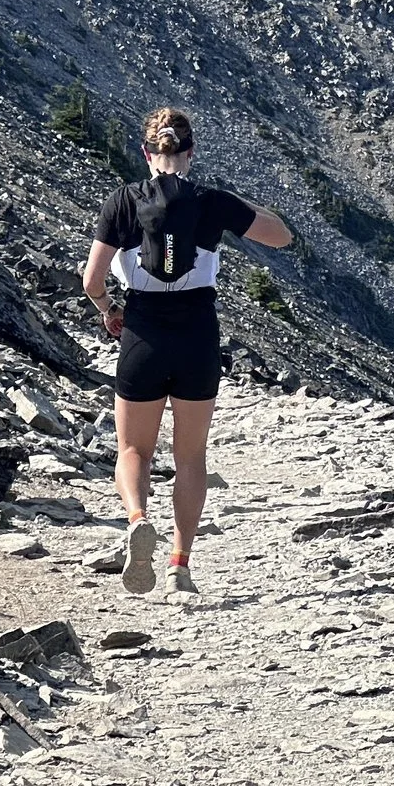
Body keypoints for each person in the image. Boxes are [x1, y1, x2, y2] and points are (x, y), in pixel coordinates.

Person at [82, 106, 292, 595]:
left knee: (134, 448)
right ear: (190, 152)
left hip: (143, 334)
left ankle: (137, 519)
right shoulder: (211, 202)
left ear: (146, 152)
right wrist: (227, 202)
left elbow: (91, 279)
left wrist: (108, 307)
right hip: (198, 334)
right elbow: (280, 236)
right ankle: (180, 564)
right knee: (191, 456)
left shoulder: (122, 201)